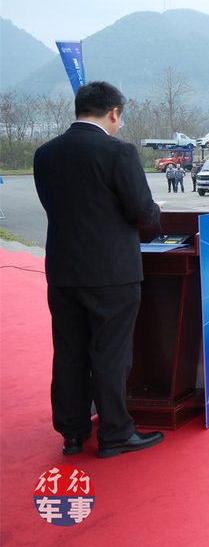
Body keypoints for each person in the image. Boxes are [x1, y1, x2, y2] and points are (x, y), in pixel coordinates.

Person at [33, 80, 164, 458]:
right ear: (113, 113)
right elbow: (142, 211)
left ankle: (72, 433)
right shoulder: (118, 152)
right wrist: (153, 217)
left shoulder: (45, 153)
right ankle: (115, 432)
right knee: (110, 352)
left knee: (69, 350)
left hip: (62, 269)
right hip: (112, 273)